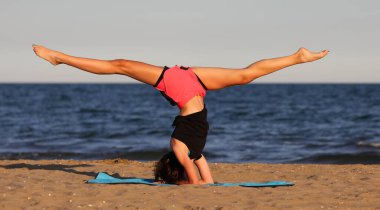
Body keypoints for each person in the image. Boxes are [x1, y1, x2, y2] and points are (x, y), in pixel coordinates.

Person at [32, 44, 329, 185]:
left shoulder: (185, 148)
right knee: (244, 75)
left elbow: (199, 181)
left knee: (120, 64)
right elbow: (204, 182)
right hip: (192, 85)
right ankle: (296, 58)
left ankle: (61, 58)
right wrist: (200, 184)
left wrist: (194, 183)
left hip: (187, 89)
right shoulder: (190, 151)